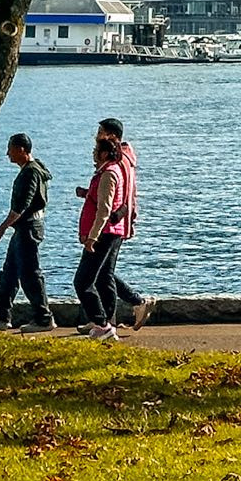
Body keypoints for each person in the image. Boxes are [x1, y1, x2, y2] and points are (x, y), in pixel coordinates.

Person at [76, 119, 151, 330]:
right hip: (115, 223)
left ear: (112, 137)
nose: (96, 136)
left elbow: (120, 196)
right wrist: (88, 194)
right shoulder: (120, 160)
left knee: (99, 275)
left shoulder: (119, 162)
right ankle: (107, 320)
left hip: (112, 225)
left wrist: (125, 220)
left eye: (100, 133)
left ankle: (111, 319)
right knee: (102, 274)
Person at [0, 133, 54, 333]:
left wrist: (2, 227)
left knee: (29, 273)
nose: (7, 153)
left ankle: (44, 318)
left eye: (10, 149)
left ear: (21, 150)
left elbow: (22, 206)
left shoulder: (31, 173)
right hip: (23, 228)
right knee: (9, 272)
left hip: (28, 228)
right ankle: (1, 316)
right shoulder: (32, 170)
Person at [74, 139, 131, 341]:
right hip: (108, 232)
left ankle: (103, 325)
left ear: (105, 153)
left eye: (96, 150)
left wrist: (92, 237)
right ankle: (102, 325)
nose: (93, 153)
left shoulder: (109, 174)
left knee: (82, 281)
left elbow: (104, 209)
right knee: (100, 277)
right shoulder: (107, 172)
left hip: (104, 233)